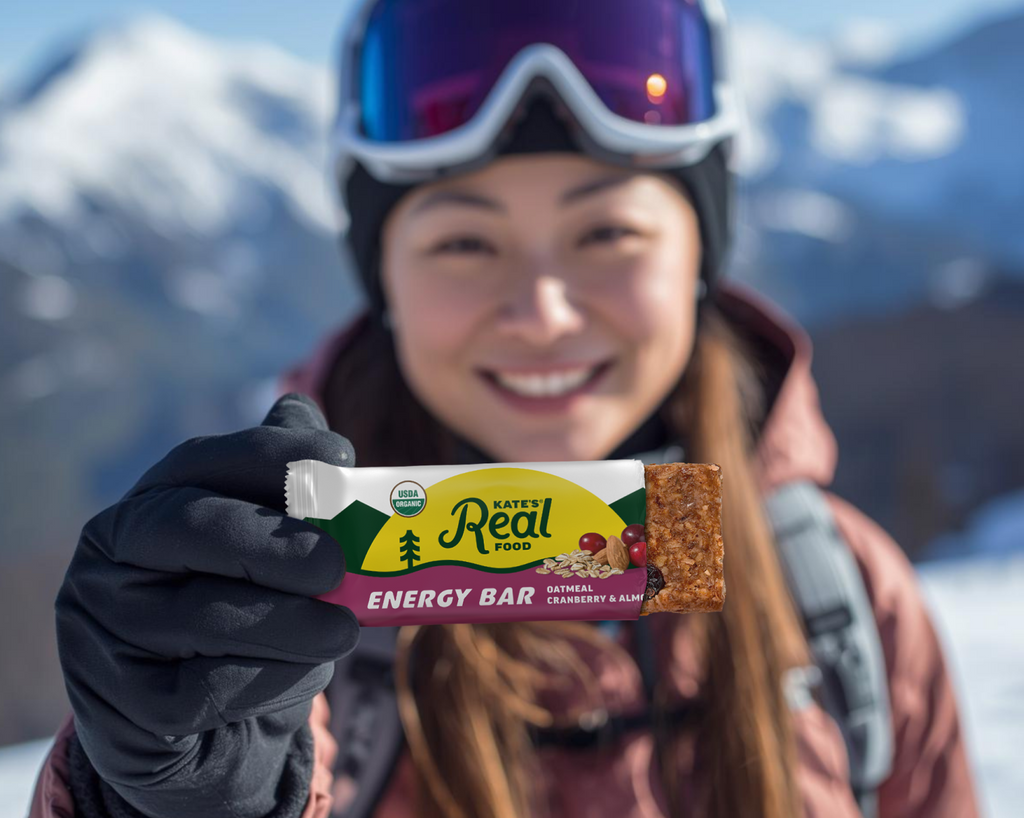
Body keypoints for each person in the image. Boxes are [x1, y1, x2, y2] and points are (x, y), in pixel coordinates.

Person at [31, 1, 980, 817]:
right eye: (464, 245)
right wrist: (162, 791)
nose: (542, 314)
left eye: (607, 231)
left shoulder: (846, 601)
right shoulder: (290, 612)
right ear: (384, 282)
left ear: (700, 256)